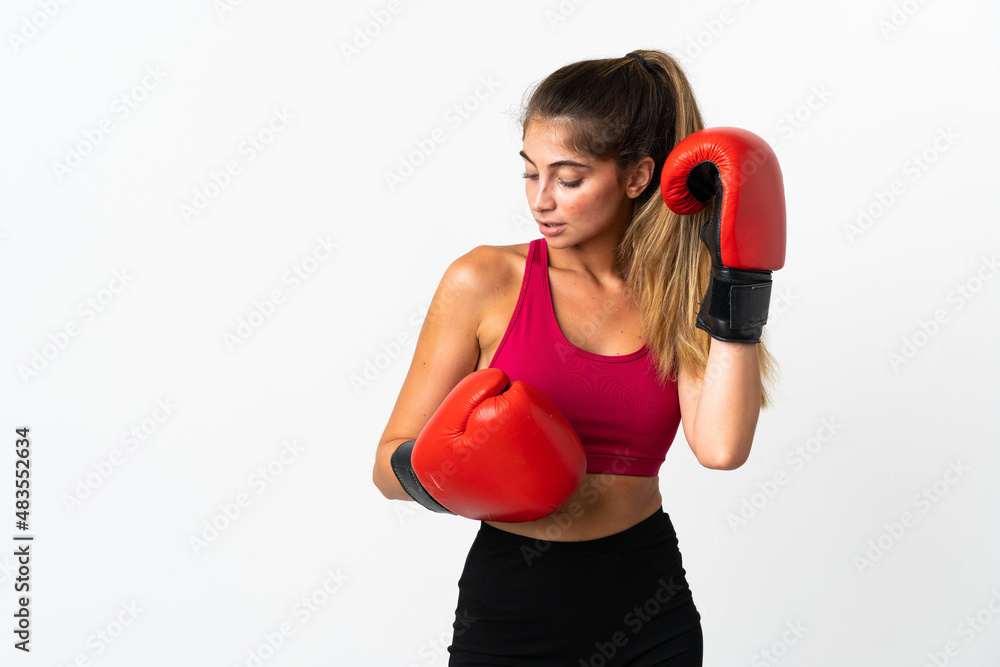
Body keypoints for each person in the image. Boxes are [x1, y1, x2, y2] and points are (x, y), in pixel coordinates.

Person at [373, 49, 784, 666]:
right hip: (514, 605)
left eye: (568, 179)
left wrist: (736, 277)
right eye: (529, 173)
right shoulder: (484, 280)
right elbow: (387, 466)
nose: (541, 200)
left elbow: (721, 449)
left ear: (638, 176)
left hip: (648, 602)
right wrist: (461, 471)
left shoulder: (680, 293)